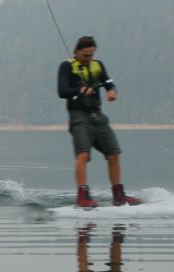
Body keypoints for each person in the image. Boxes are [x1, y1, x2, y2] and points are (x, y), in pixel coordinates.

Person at [57, 36, 141, 208]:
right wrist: (80, 89)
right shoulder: (67, 66)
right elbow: (62, 91)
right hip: (78, 116)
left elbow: (109, 82)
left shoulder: (98, 65)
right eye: (85, 55)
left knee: (114, 154)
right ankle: (82, 196)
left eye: (91, 54)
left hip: (97, 116)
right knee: (83, 155)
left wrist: (112, 92)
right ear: (77, 51)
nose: (89, 58)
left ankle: (119, 196)